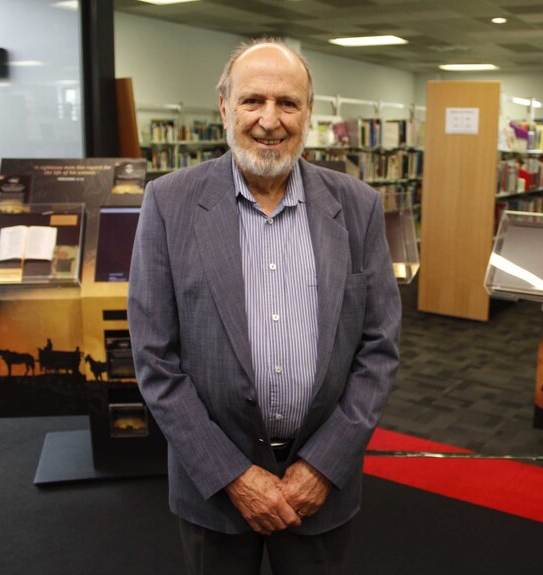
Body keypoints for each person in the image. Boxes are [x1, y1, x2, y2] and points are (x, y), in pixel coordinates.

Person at [128, 37, 401, 575]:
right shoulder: (168, 202)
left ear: (310, 113)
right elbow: (155, 362)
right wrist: (233, 475)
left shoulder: (358, 207)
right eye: (253, 101)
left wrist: (323, 467)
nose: (270, 120)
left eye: (288, 103)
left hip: (321, 489)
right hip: (213, 489)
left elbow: (379, 350)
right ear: (225, 107)